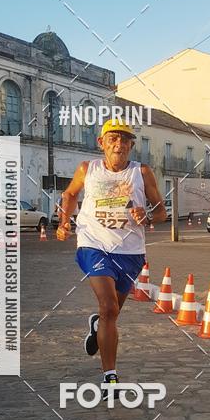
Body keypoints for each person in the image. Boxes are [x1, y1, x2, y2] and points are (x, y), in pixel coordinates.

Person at [56, 118, 167, 399]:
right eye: (113, 138)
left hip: (130, 252)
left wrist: (148, 216)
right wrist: (64, 221)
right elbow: (69, 194)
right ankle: (110, 378)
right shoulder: (87, 169)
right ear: (102, 143)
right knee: (108, 308)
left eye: (125, 140)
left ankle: (97, 325)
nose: (119, 144)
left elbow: (162, 212)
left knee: (111, 313)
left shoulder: (142, 173)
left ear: (131, 145)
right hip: (93, 244)